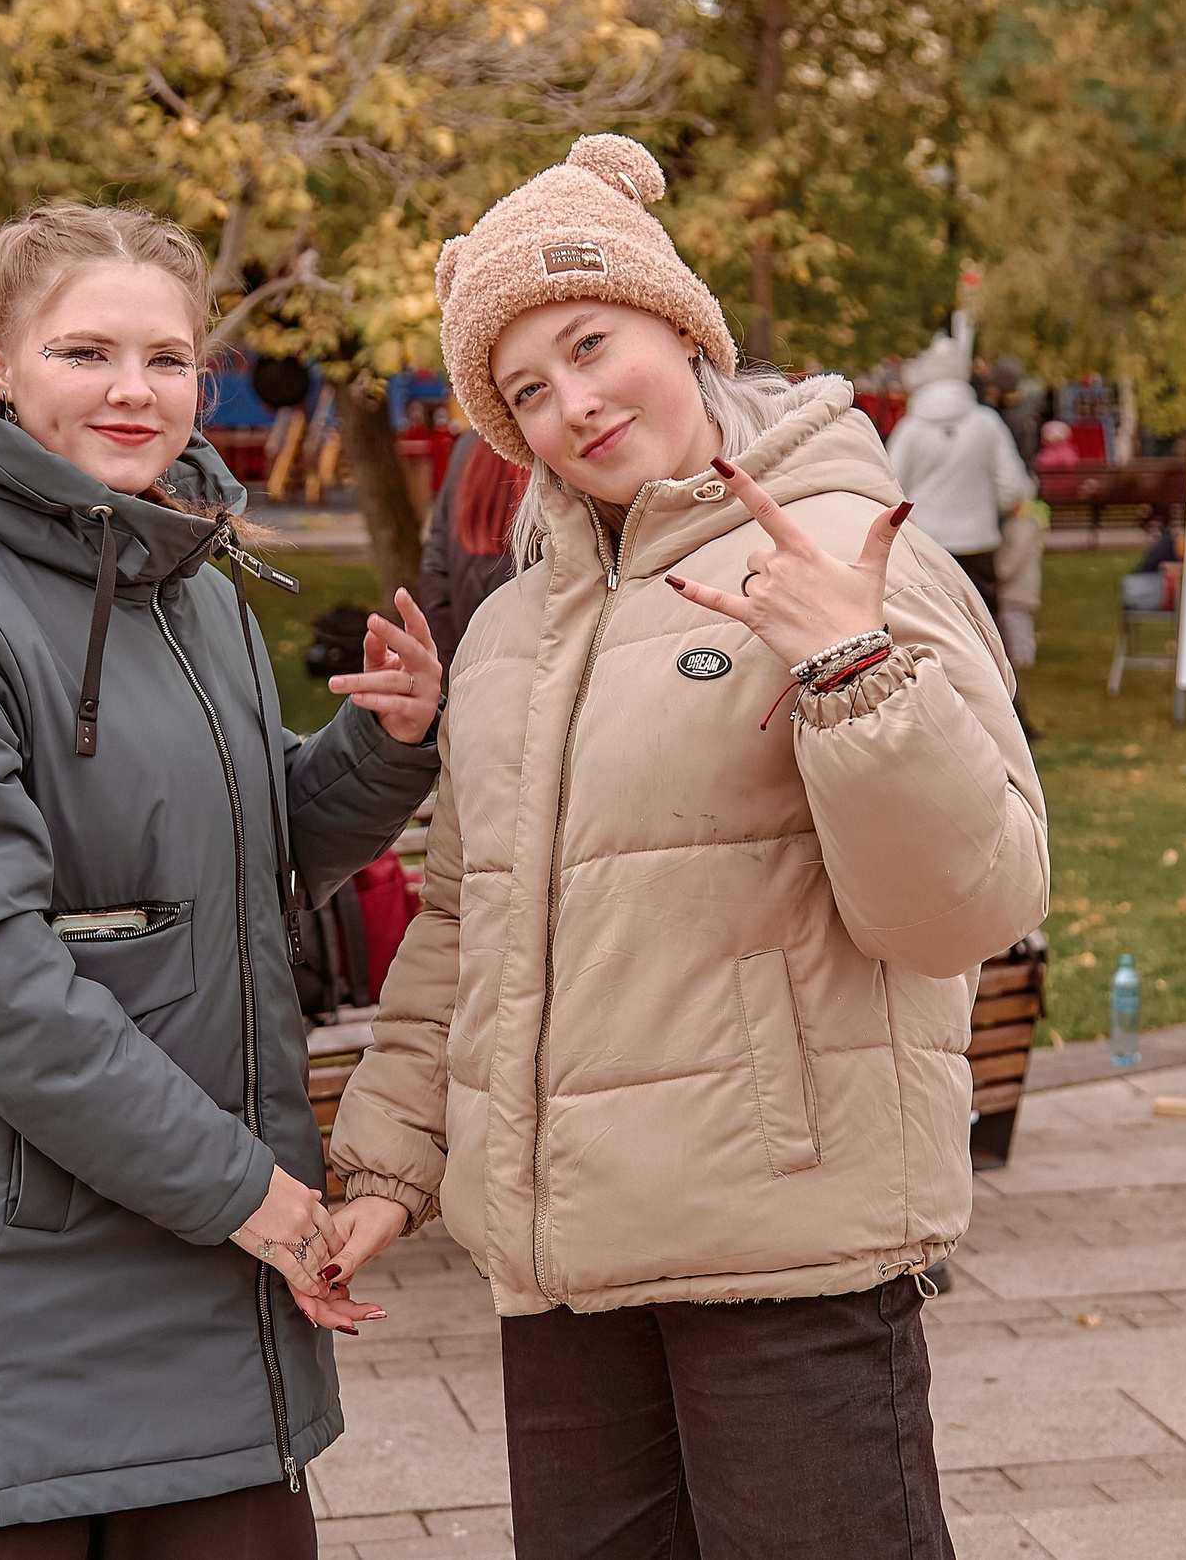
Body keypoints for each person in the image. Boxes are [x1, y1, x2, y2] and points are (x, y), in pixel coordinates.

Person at [325, 135, 1050, 1560]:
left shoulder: (856, 546)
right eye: (526, 388)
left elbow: (965, 906)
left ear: (679, 322)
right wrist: (390, 1166)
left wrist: (854, 670)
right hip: (565, 1263)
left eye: (592, 343)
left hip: (788, 1242)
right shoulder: (517, 629)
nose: (573, 404)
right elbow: (467, 922)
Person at [0, 203, 443, 1553]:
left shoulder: (190, 582)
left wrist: (384, 753)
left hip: (216, 1262)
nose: (132, 390)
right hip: (21, 1276)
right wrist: (251, 1195)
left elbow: (240, 855)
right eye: (84, 350)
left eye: (167, 358)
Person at [885, 326, 1035, 623]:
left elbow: (889, 487)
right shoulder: (986, 424)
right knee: (982, 630)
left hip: (925, 546)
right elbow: (1012, 489)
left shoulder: (910, 429)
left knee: (931, 628)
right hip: (978, 542)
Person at [416, 427, 530, 665]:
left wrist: (455, 669)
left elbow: (434, 572)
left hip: (471, 649)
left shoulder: (467, 447)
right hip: (533, 659)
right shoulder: (550, 451)